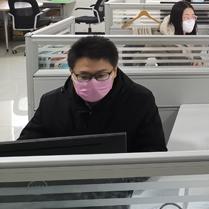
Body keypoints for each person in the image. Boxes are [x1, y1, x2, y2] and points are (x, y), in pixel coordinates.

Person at [19, 36, 166, 153]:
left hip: (122, 179)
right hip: (66, 179)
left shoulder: (140, 100)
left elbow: (154, 151)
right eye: (84, 76)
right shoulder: (51, 103)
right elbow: (23, 148)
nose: (93, 82)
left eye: (101, 75)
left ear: (114, 71)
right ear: (71, 72)